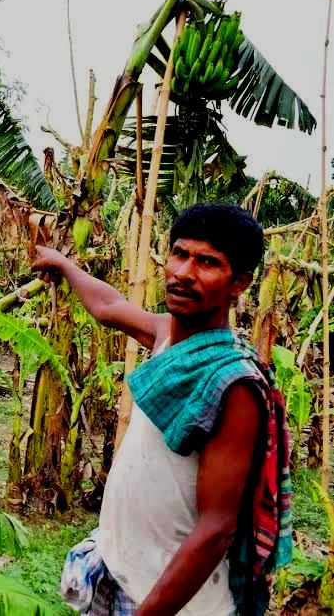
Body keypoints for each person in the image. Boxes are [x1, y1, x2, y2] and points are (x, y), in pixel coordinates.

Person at [32, 203, 291, 616]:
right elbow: (108, 306)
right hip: (120, 570)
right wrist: (63, 264)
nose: (184, 272)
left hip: (173, 602)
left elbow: (217, 529)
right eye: (179, 253)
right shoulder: (166, 335)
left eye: (207, 262)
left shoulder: (234, 385)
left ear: (239, 282)